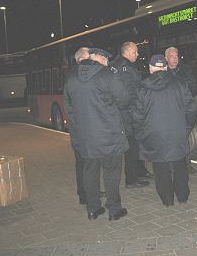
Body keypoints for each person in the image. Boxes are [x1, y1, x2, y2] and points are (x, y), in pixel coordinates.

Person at [64, 47, 128, 221]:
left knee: (90, 171)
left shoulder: (71, 79)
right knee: (112, 171)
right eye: (107, 60)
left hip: (85, 136)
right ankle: (114, 209)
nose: (108, 63)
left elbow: (69, 110)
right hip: (109, 135)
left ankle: (93, 209)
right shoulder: (107, 76)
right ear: (101, 58)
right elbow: (124, 99)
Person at [131, 54, 196, 207]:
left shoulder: (142, 87)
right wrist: (185, 128)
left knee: (160, 169)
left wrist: (141, 134)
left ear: (150, 69)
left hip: (154, 134)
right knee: (180, 166)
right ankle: (182, 197)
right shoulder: (180, 83)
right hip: (177, 133)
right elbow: (190, 110)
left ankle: (167, 200)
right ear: (166, 67)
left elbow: (137, 115)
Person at [110, 42, 152, 189]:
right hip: (129, 114)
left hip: (126, 114)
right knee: (132, 146)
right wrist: (139, 107)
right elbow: (128, 94)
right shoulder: (125, 68)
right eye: (135, 52)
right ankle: (132, 179)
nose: (137, 54)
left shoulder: (118, 65)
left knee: (136, 144)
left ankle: (140, 172)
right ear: (127, 53)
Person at [68, 47, 106, 205]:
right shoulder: (87, 74)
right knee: (91, 163)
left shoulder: (70, 75)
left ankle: (84, 193)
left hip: (77, 128)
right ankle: (90, 193)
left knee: (81, 162)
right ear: (83, 58)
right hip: (89, 126)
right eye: (89, 56)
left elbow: (68, 105)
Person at [165, 46, 197, 174]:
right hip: (169, 111)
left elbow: (192, 87)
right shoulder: (163, 72)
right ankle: (172, 164)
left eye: (176, 56)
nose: (175, 59)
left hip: (183, 109)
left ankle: (186, 163)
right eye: (172, 57)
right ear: (166, 58)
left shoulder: (185, 70)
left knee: (184, 138)